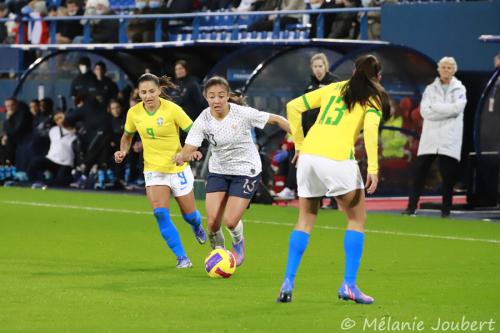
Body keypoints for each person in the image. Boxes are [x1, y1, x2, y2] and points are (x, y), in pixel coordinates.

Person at [276, 54, 390, 304]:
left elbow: (293, 107)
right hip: (338, 159)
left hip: (309, 158)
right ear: (377, 77)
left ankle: (288, 281)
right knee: (357, 218)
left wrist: (300, 144)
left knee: (305, 220)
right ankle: (349, 285)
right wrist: (373, 168)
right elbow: (370, 132)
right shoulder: (372, 97)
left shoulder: (333, 87)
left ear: (354, 71)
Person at [174, 76, 290, 266]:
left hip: (246, 169)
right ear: (205, 97)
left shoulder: (242, 113)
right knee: (212, 224)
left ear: (227, 96)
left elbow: (276, 120)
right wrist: (182, 156)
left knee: (230, 221)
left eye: (221, 95)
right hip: (219, 170)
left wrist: (301, 139)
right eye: (212, 96)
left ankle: (238, 242)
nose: (216, 100)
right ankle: (220, 255)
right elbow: (189, 147)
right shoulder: (203, 119)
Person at [114, 73, 207, 269]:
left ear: (159, 91)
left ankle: (197, 225)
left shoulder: (172, 109)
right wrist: (123, 151)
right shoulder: (134, 113)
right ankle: (182, 257)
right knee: (160, 213)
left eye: (151, 91)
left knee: (189, 215)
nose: (147, 96)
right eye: (143, 92)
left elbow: (194, 130)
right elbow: (127, 136)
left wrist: (189, 151)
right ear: (138, 93)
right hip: (153, 169)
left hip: (177, 167)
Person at [402, 57, 467, 218]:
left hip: (449, 139)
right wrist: (446, 110)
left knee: (448, 176)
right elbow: (425, 112)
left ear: (454, 70)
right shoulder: (430, 89)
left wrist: (436, 108)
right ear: (438, 69)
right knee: (419, 173)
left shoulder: (460, 89)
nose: (446, 70)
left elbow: (457, 109)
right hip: (430, 139)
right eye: (443, 67)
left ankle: (446, 210)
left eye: (449, 67)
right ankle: (411, 207)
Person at [276, 52, 340, 200]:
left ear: (326, 67)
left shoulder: (334, 83)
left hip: (327, 132)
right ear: (312, 68)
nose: (318, 69)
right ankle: (294, 189)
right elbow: (304, 112)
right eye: (315, 66)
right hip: (309, 133)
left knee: (328, 164)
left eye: (320, 65)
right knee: (300, 159)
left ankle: (334, 197)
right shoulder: (310, 86)